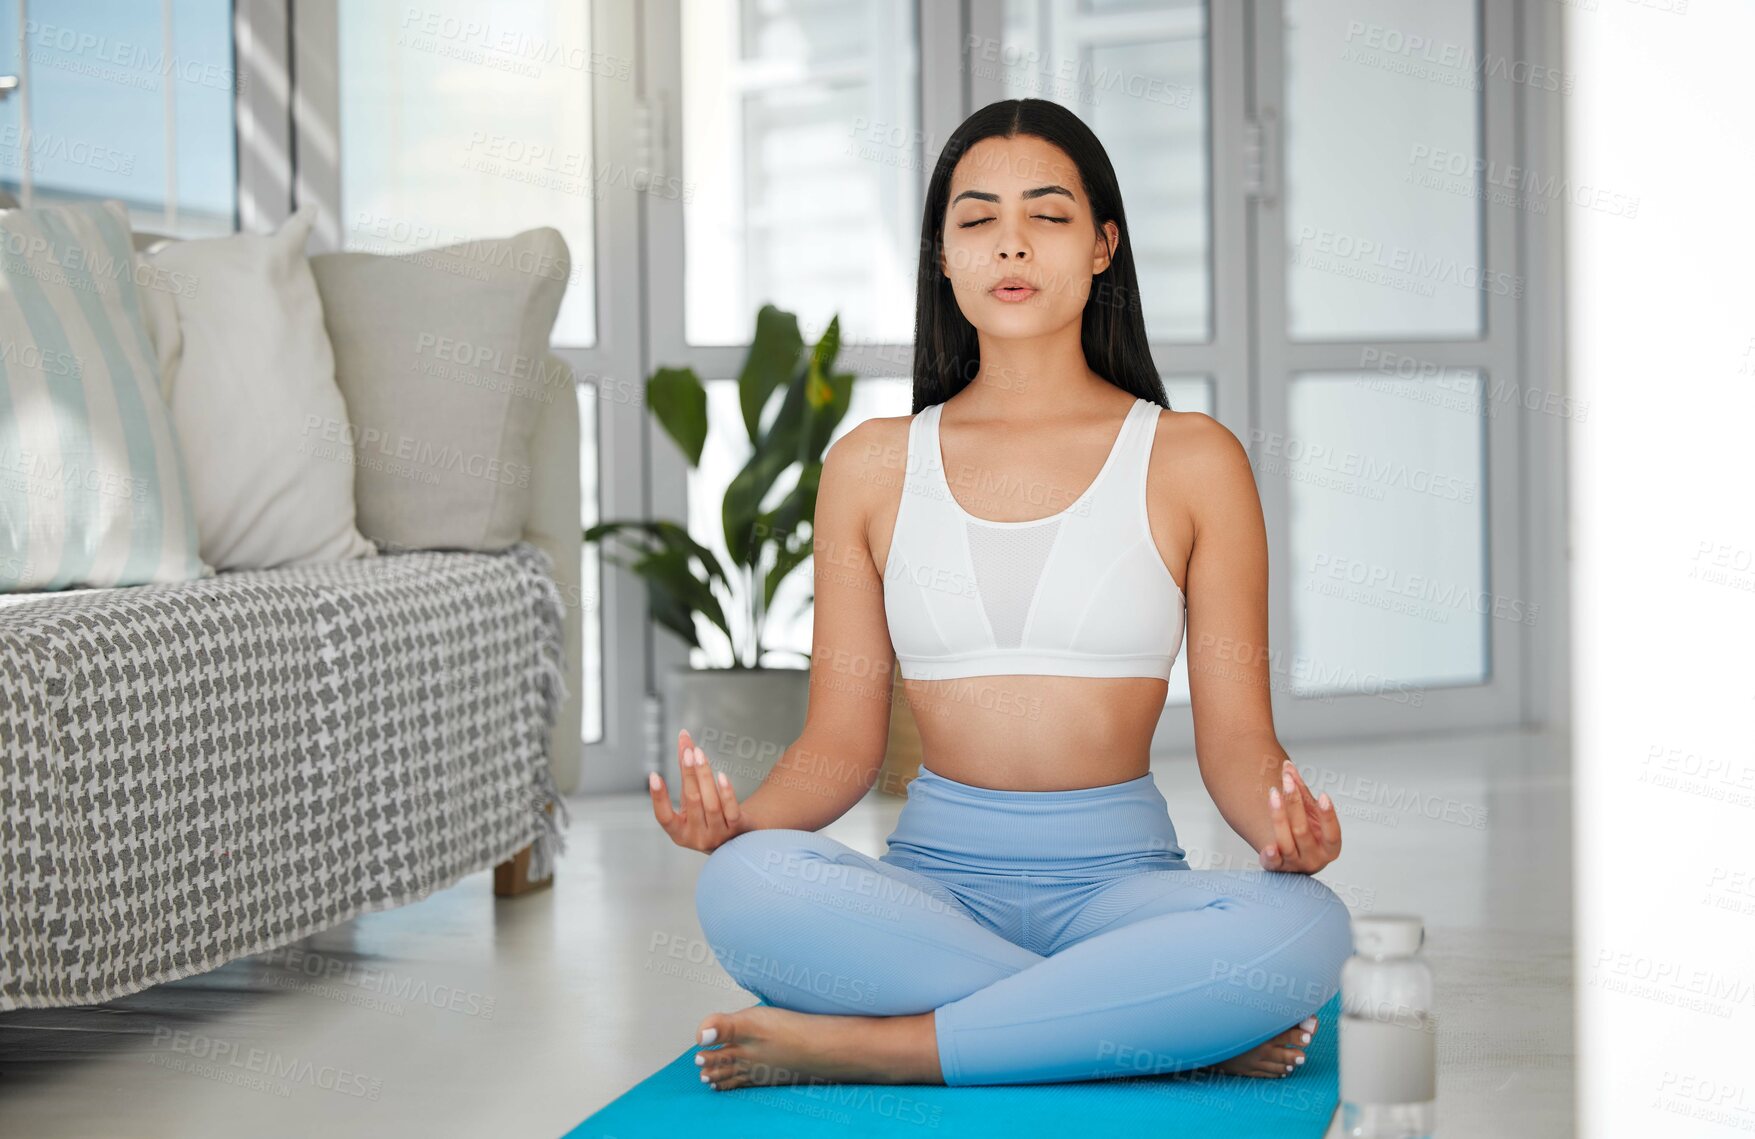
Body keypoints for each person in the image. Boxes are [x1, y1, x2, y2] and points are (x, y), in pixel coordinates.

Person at [649, 98, 1350, 1092]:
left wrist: (1289, 829)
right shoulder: (872, 465)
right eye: (977, 219)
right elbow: (839, 748)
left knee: (1308, 926)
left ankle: (884, 1046)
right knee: (744, 885)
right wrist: (738, 825)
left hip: (1125, 889)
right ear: (942, 254)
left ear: (1105, 244)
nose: (1010, 243)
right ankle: (1145, 1022)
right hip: (932, 897)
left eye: (1049, 216)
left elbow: (1238, 745)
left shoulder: (1194, 459)